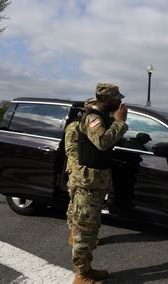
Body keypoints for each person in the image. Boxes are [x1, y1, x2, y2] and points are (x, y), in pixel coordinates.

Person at [70, 83, 128, 284]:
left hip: (95, 184)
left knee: (89, 228)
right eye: (116, 98)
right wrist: (120, 123)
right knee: (85, 231)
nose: (120, 101)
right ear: (104, 99)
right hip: (87, 184)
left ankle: (86, 268)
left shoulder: (103, 118)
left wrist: (116, 123)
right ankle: (81, 275)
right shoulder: (93, 118)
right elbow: (102, 142)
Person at [65, 98, 101, 246]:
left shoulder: (86, 124)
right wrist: (78, 169)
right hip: (77, 170)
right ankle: (74, 235)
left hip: (81, 170)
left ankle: (75, 234)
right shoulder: (75, 126)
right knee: (76, 205)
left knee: (77, 204)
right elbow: (71, 150)